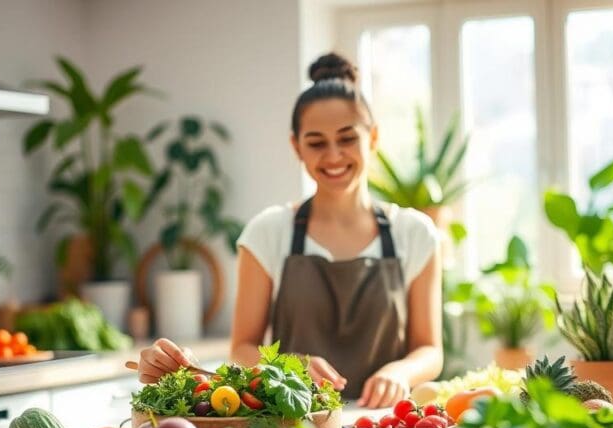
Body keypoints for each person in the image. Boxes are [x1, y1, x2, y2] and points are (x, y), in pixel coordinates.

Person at [137, 52, 443, 408]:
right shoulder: (268, 232)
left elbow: (429, 349)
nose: (333, 156)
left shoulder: (414, 233)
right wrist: (289, 366)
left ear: (372, 138)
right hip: (293, 424)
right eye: (316, 142)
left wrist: (401, 372)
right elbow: (242, 349)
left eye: (347, 139)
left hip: (383, 425)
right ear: (296, 146)